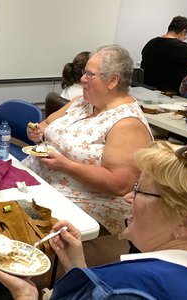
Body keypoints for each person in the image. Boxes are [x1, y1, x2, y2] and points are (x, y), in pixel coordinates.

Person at [0, 141, 187, 300]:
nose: (127, 198)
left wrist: (27, 294)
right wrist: (77, 266)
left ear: (186, 222)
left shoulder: (128, 289)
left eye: (140, 191)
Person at [23, 45, 153, 235]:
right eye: (85, 73)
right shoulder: (82, 102)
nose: (82, 78)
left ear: (113, 80)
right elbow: (46, 124)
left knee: (17, 216)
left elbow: (120, 184)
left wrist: (66, 165)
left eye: (90, 74)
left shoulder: (127, 123)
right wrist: (38, 131)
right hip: (42, 177)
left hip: (87, 199)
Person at [141, 16, 187, 94]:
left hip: (147, 89)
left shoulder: (150, 43)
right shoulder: (182, 47)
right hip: (170, 93)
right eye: (186, 36)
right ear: (183, 32)